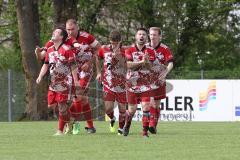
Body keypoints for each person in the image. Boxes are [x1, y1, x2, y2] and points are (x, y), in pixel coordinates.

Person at [36, 27, 77, 136]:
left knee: (62, 107)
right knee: (51, 106)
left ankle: (60, 131)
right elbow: (45, 64)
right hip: (53, 83)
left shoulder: (67, 49)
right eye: (53, 32)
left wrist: (76, 83)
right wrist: (40, 76)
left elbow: (73, 67)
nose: (54, 33)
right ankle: (71, 120)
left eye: (57, 32)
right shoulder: (49, 50)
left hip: (65, 83)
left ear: (62, 37)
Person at [65, 19, 101, 134]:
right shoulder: (65, 40)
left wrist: (89, 63)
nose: (70, 32)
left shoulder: (87, 37)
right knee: (83, 99)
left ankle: (71, 122)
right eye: (68, 30)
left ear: (77, 27)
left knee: (78, 96)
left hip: (86, 70)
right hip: (73, 70)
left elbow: (99, 49)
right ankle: (90, 127)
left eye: (72, 29)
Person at [123, 28, 158, 137]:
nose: (141, 36)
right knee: (132, 110)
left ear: (146, 37)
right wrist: (142, 62)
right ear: (136, 37)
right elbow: (128, 65)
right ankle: (127, 125)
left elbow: (151, 68)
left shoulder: (151, 51)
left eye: (143, 34)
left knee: (146, 107)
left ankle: (144, 133)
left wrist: (147, 63)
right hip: (132, 84)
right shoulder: (129, 50)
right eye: (139, 34)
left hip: (145, 84)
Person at [96, 30, 127, 135]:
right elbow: (97, 58)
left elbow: (126, 66)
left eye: (116, 43)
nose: (114, 45)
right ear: (109, 41)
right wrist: (99, 72)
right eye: (112, 43)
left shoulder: (125, 50)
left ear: (120, 41)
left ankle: (121, 129)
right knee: (108, 108)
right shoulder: (104, 49)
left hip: (121, 84)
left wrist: (118, 56)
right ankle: (112, 118)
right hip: (108, 83)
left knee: (122, 108)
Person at [148, 27, 174, 134]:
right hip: (146, 80)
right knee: (150, 102)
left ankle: (153, 125)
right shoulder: (145, 47)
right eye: (151, 34)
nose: (152, 37)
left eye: (154, 35)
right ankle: (150, 125)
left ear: (159, 36)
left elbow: (171, 63)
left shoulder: (164, 49)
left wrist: (165, 72)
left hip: (159, 80)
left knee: (156, 104)